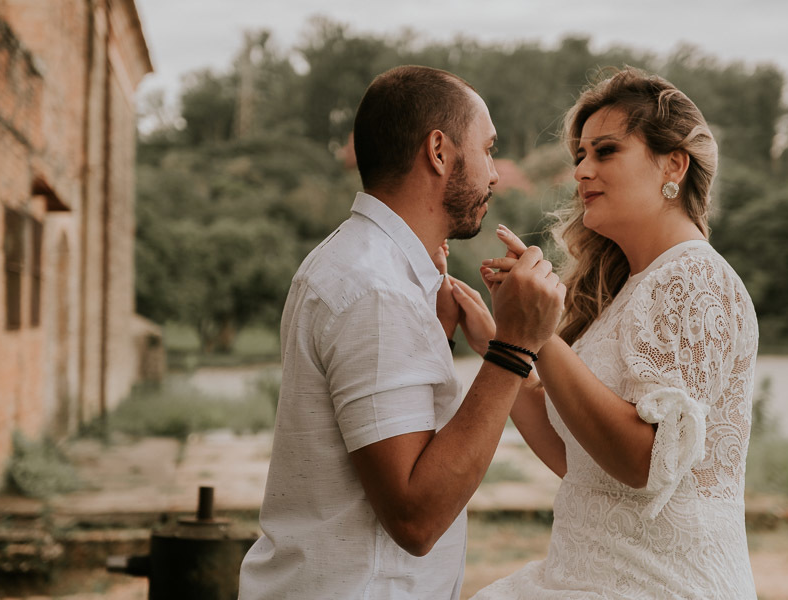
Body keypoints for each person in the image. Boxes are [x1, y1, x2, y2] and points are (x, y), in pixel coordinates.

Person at [237, 65, 565, 600]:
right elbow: (416, 518)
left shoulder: (360, 264)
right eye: (488, 149)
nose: (495, 175)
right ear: (439, 151)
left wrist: (435, 336)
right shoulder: (377, 291)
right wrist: (514, 347)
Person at [465, 67, 759, 598]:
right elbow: (576, 458)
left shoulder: (694, 278)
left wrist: (544, 333)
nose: (582, 171)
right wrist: (502, 339)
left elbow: (643, 462)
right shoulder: (627, 291)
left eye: (605, 152)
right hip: (580, 578)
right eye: (580, 156)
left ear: (673, 163)